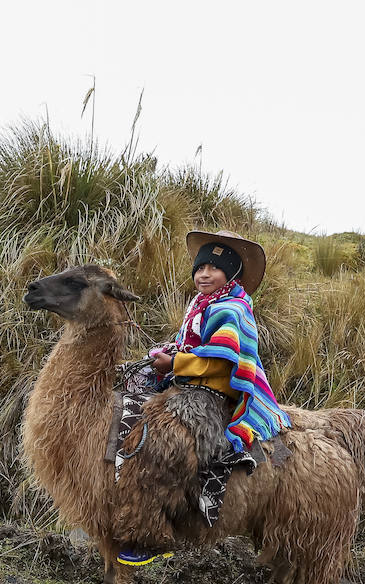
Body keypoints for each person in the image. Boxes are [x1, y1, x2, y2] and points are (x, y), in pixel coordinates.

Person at [117, 229, 289, 565]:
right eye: (199, 268)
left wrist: (177, 362)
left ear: (231, 273)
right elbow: (192, 346)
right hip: (187, 381)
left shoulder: (234, 309)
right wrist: (168, 354)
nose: (204, 274)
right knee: (126, 399)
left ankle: (155, 530)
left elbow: (222, 360)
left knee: (166, 442)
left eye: (213, 268)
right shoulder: (200, 304)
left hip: (212, 393)